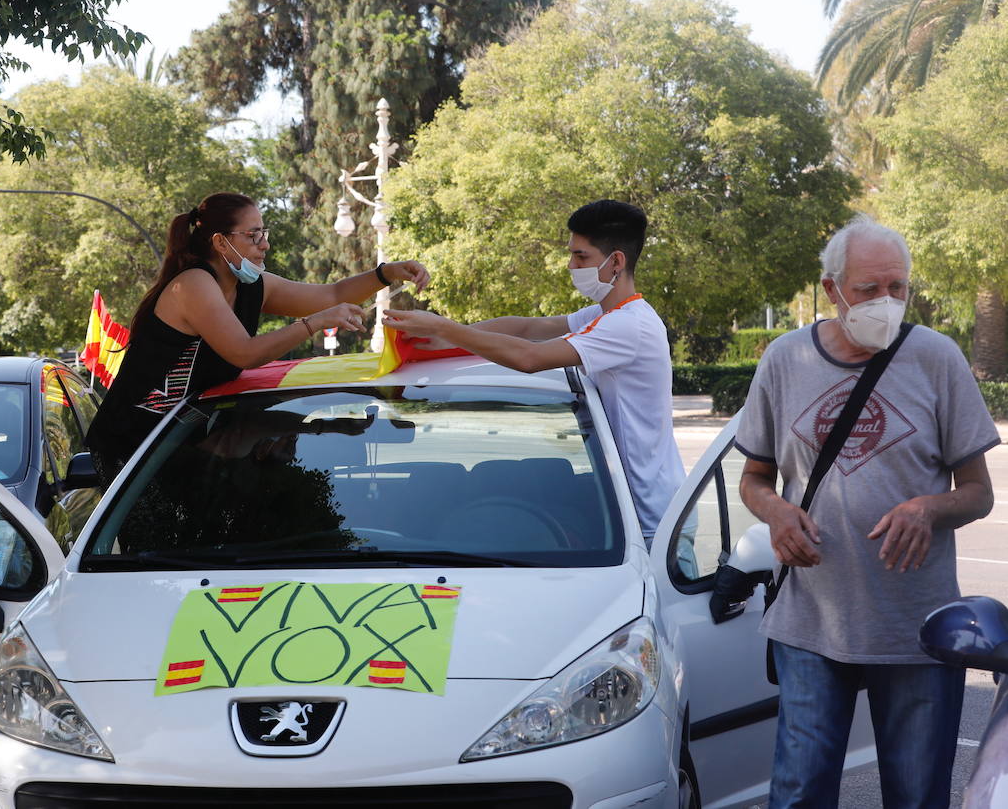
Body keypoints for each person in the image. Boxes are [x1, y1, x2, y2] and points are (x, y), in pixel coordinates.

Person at [735, 216, 997, 809]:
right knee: (799, 793)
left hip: (919, 632)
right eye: (868, 290)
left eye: (897, 288)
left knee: (915, 795)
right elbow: (753, 479)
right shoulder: (784, 361)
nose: (885, 302)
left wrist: (930, 508)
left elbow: (978, 491)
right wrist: (775, 512)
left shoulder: (936, 358)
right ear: (831, 290)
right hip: (811, 625)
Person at [383, 199, 683, 543]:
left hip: (651, 522)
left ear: (616, 261)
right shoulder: (604, 316)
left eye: (581, 257)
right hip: (633, 511)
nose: (571, 265)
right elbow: (526, 329)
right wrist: (440, 341)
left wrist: (444, 329)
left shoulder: (630, 326)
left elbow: (529, 357)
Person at [88, 191, 430, 472]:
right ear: (221, 243)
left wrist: (385, 273)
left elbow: (332, 295)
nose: (264, 244)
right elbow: (245, 353)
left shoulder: (252, 285)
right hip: (133, 448)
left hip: (185, 441)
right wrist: (316, 322)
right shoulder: (193, 284)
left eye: (263, 233)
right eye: (253, 236)